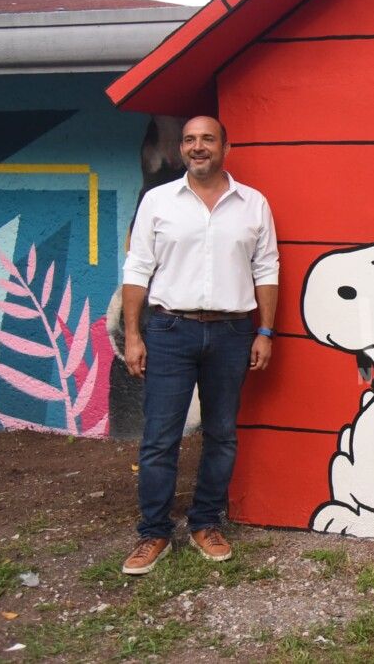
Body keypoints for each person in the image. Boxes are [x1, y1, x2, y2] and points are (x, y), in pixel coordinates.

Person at [119, 116, 280, 575]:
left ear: (226, 147)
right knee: (160, 438)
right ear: (182, 149)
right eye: (190, 139)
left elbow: (266, 267)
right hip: (170, 331)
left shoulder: (253, 204)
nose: (197, 146)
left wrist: (265, 332)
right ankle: (154, 532)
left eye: (208, 138)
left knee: (221, 434)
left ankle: (205, 523)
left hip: (232, 334)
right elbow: (137, 268)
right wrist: (133, 335)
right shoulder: (158, 201)